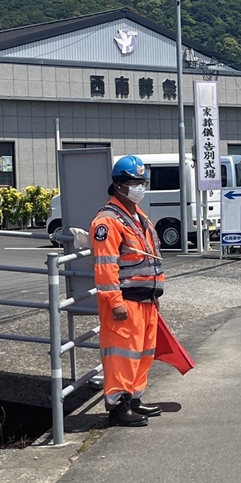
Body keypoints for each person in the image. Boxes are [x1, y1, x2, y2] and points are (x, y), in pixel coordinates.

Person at [90, 155, 165, 427]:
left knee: (142, 353)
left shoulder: (137, 216)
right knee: (122, 356)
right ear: (119, 185)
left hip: (146, 299)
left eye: (142, 182)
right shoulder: (107, 221)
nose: (140, 187)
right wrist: (115, 302)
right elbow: (105, 266)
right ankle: (118, 408)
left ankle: (134, 400)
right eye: (135, 182)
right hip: (124, 301)